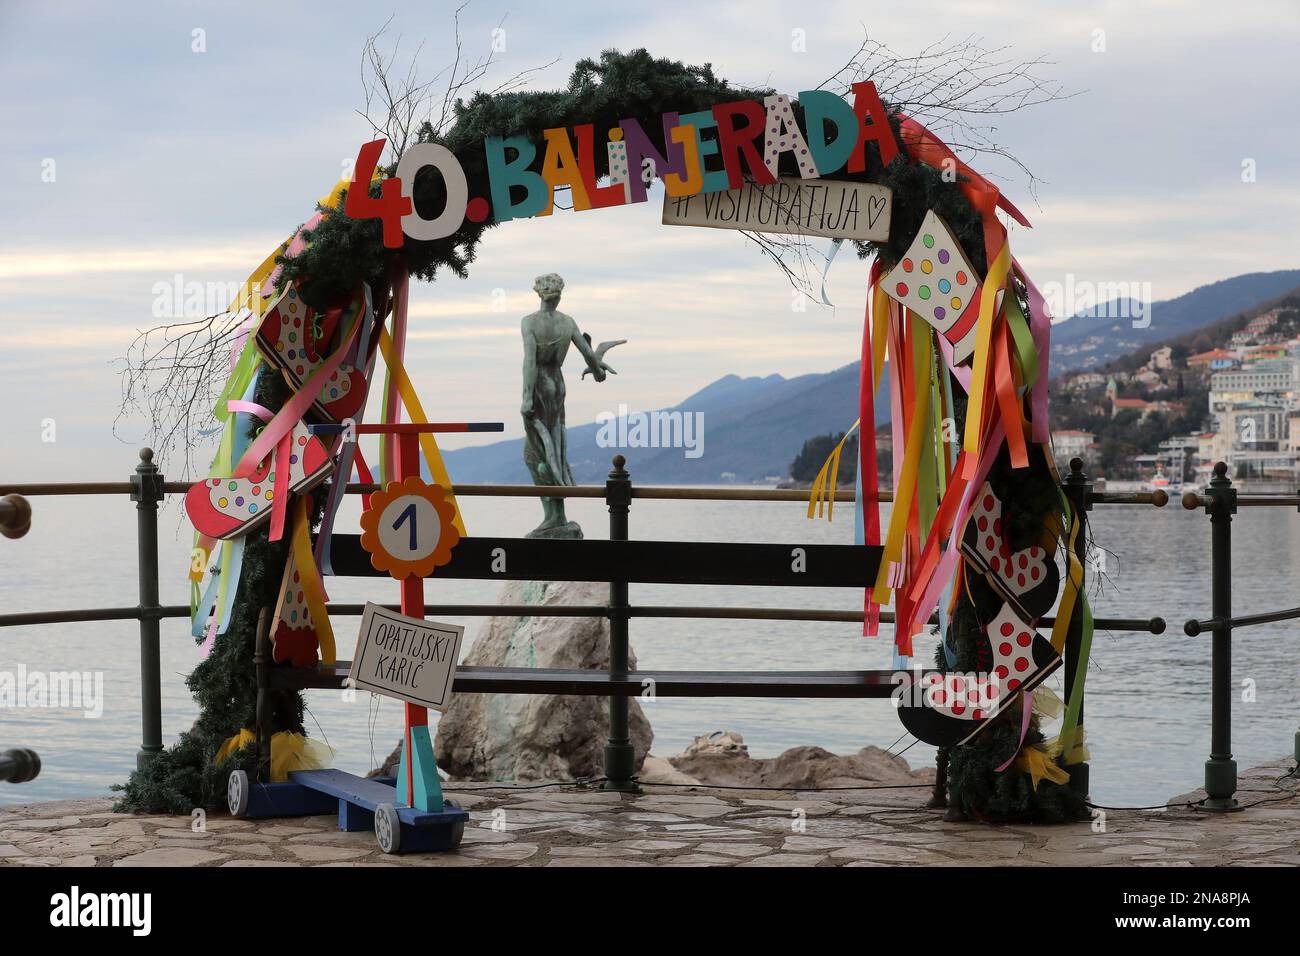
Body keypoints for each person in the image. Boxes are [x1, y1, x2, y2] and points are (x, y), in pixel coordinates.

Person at [520, 273, 619, 536]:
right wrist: (598, 370)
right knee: (554, 447)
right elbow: (589, 356)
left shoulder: (529, 322)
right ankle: (557, 513)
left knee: (534, 454)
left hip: (540, 384)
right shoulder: (568, 323)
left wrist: (527, 397)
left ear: (538, 293)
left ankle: (553, 515)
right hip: (558, 385)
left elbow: (530, 361)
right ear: (559, 294)